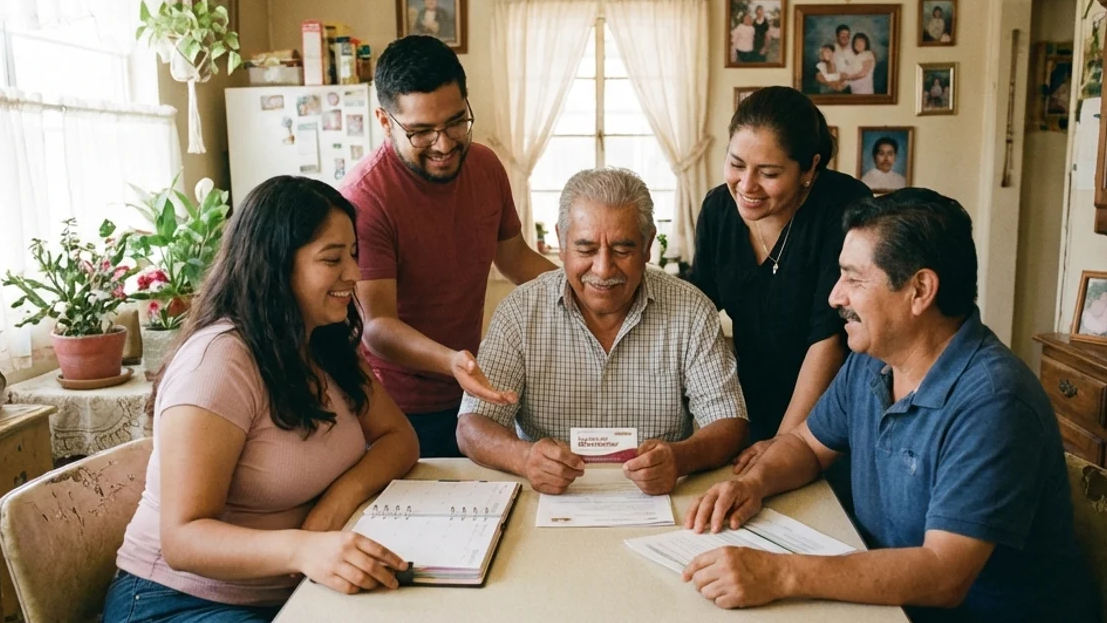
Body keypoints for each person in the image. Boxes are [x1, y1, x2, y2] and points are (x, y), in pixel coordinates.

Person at [683, 188, 1099, 623]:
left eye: (854, 279)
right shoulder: (871, 361)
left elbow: (943, 574)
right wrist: (753, 483)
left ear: (920, 290)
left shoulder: (994, 403)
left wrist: (781, 573)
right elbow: (807, 445)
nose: (835, 297)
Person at [104, 176, 421, 622]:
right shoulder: (218, 363)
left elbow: (399, 438)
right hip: (178, 601)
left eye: (353, 254)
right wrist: (303, 546)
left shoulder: (325, 341)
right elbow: (182, 540)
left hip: (291, 592)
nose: (353, 274)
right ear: (275, 266)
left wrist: (334, 505)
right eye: (332, 259)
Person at [457, 168, 749, 496]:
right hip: (551, 500)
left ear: (648, 244)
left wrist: (680, 458)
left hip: (658, 499)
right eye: (586, 250)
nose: (603, 269)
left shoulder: (691, 310)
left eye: (622, 250)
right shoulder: (521, 312)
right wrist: (524, 458)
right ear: (561, 243)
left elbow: (729, 422)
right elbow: (473, 425)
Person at [342, 36, 556, 458]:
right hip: (391, 410)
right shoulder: (365, 198)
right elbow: (377, 325)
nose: (444, 145)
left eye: (456, 122)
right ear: (385, 122)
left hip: (469, 399)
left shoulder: (485, 167)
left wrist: (586, 287)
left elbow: (515, 259)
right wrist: (452, 362)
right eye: (421, 132)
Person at [687, 86, 871, 479]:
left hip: (831, 414)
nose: (746, 186)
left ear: (809, 169)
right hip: (754, 398)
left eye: (768, 173)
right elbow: (695, 306)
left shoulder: (843, 208)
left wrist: (787, 447)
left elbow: (828, 338)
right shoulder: (720, 208)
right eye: (736, 164)